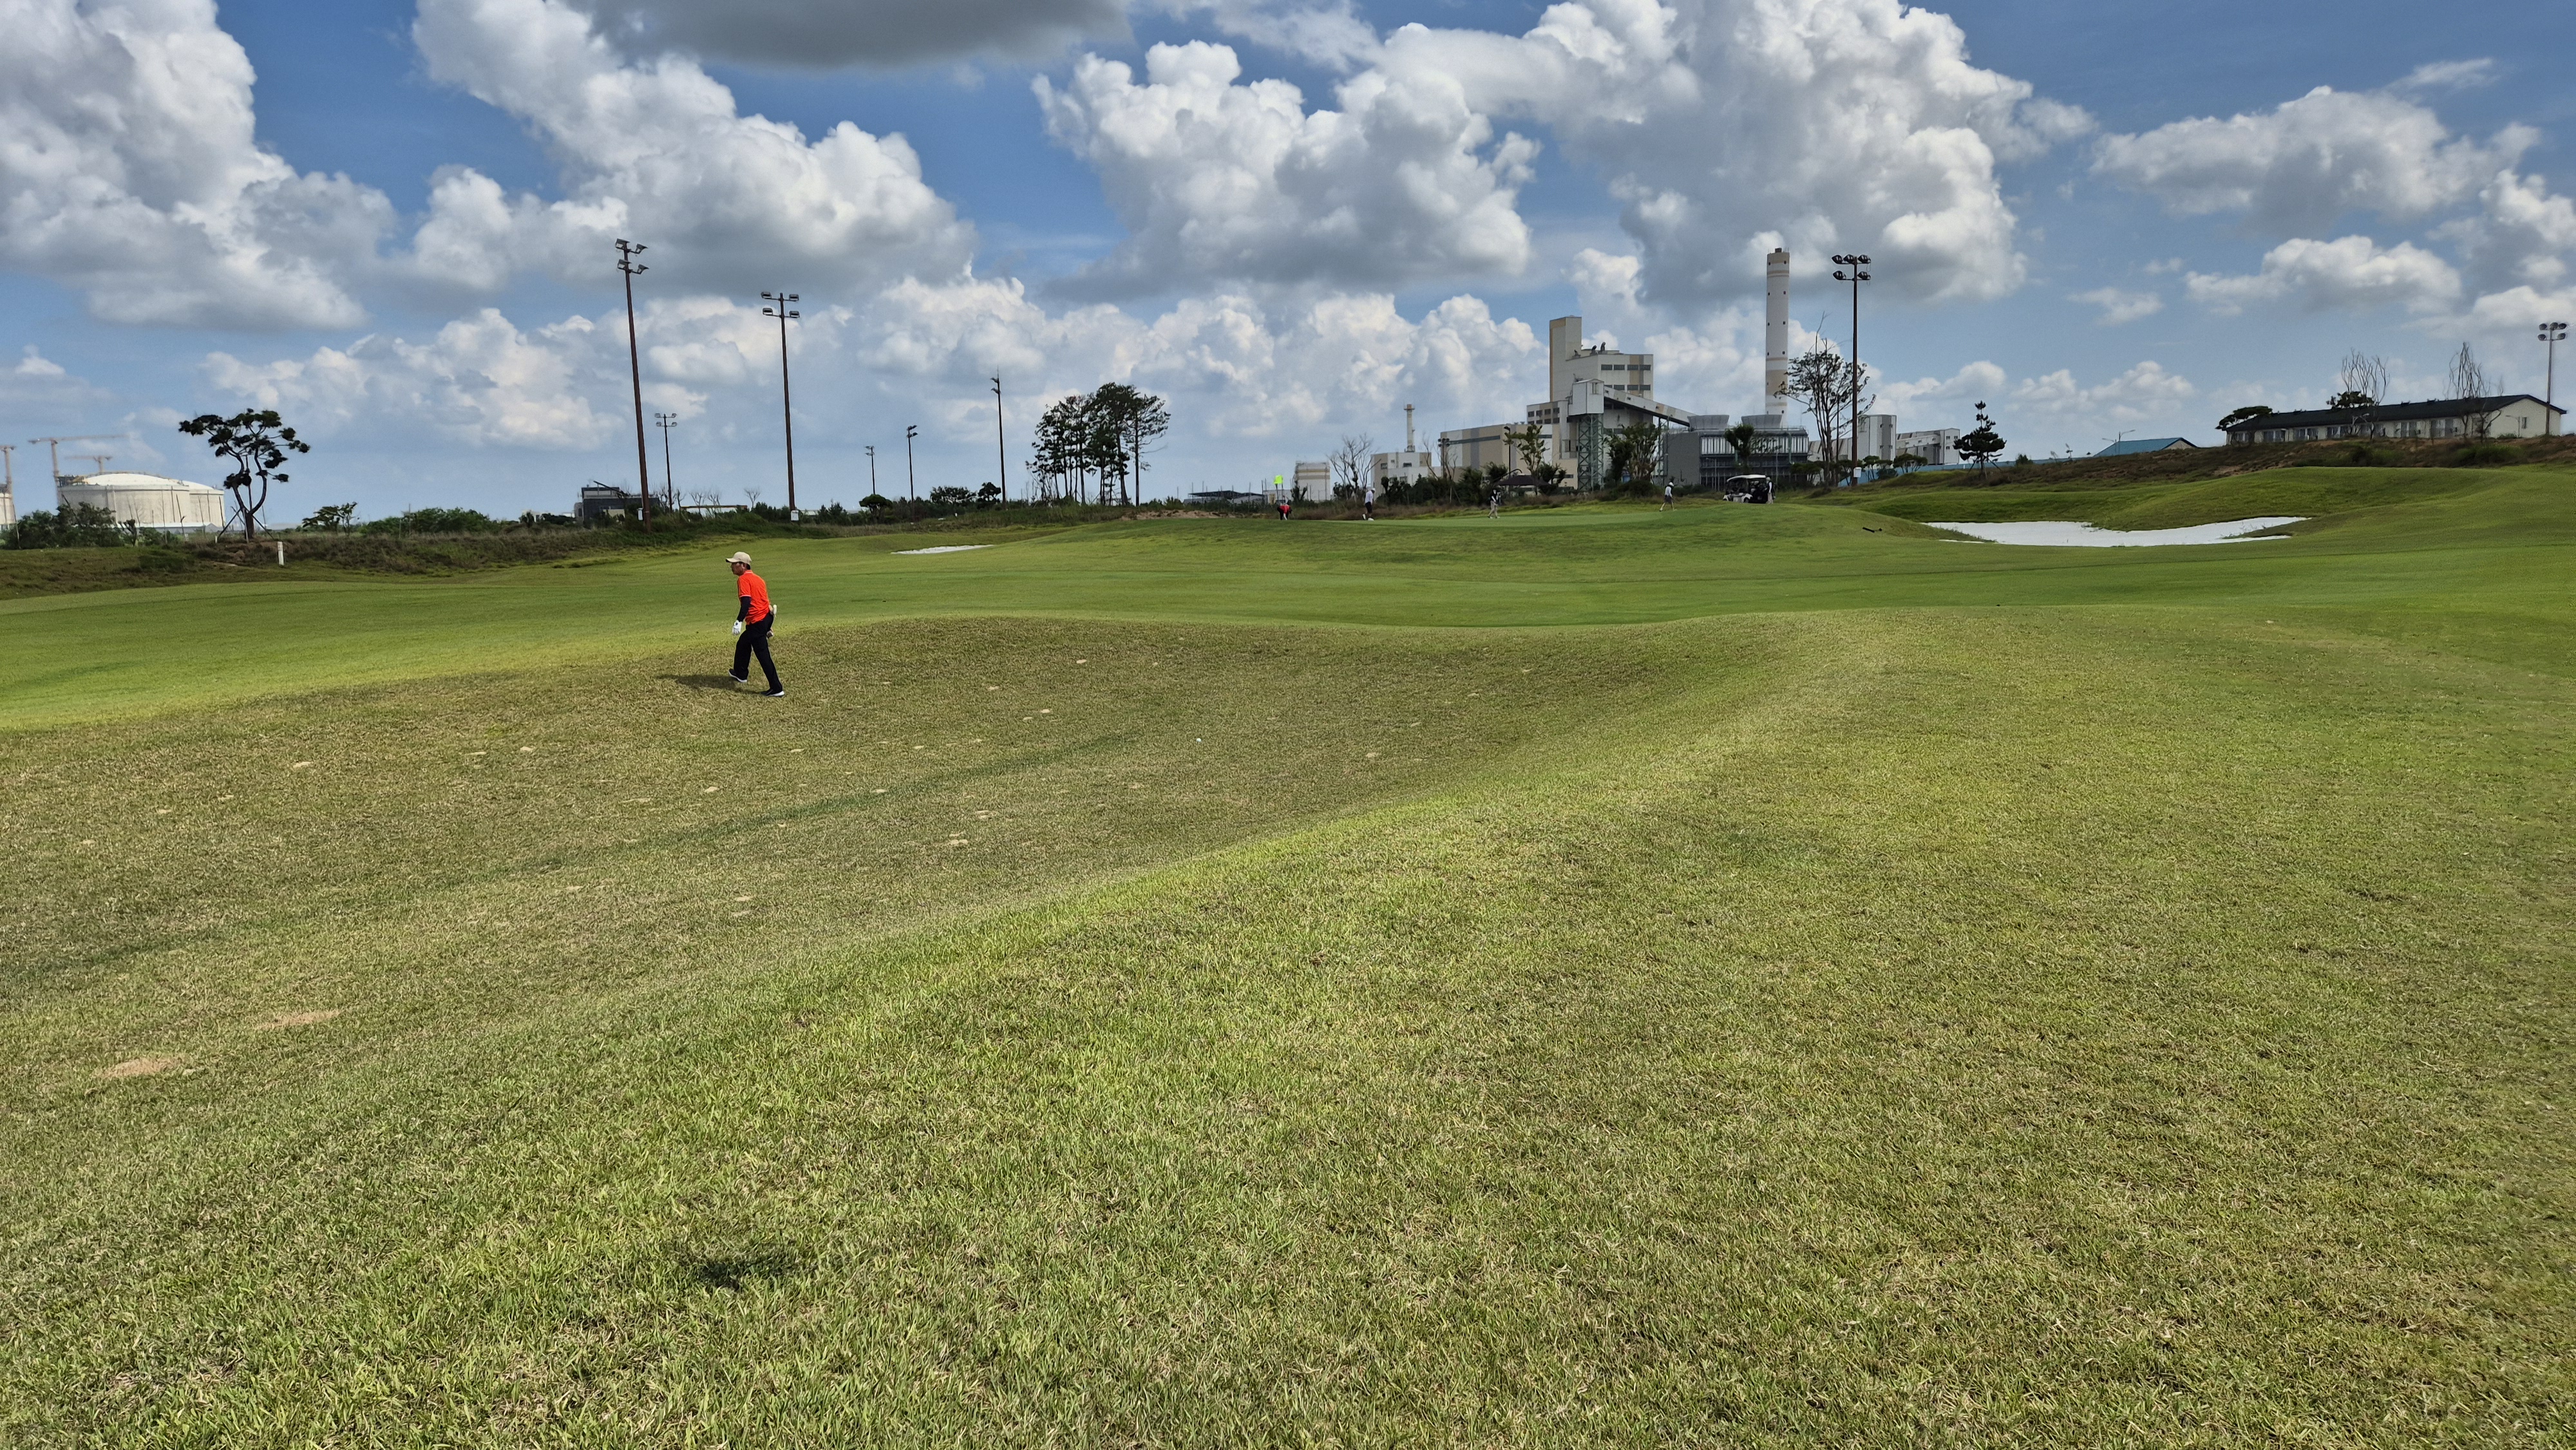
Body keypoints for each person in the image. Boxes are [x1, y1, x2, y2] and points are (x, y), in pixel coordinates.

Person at [726, 551, 784, 697]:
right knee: (744, 643)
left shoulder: (743, 580)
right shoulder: (759, 579)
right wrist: (768, 626)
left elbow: (746, 602)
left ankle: (777, 688)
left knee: (762, 654)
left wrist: (739, 621)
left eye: (734, 564)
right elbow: (765, 601)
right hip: (765, 618)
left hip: (758, 621)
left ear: (743, 565)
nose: (732, 567)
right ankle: (741, 673)